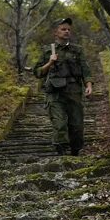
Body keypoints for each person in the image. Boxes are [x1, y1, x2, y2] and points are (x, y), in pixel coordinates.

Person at [32, 17, 92, 155]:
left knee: (76, 126)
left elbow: (85, 69)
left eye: (68, 30)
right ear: (55, 32)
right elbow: (37, 72)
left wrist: (89, 85)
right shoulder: (47, 51)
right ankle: (61, 153)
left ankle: (75, 152)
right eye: (63, 29)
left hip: (74, 91)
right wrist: (49, 63)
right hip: (55, 93)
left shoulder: (77, 50)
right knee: (59, 124)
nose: (66, 32)